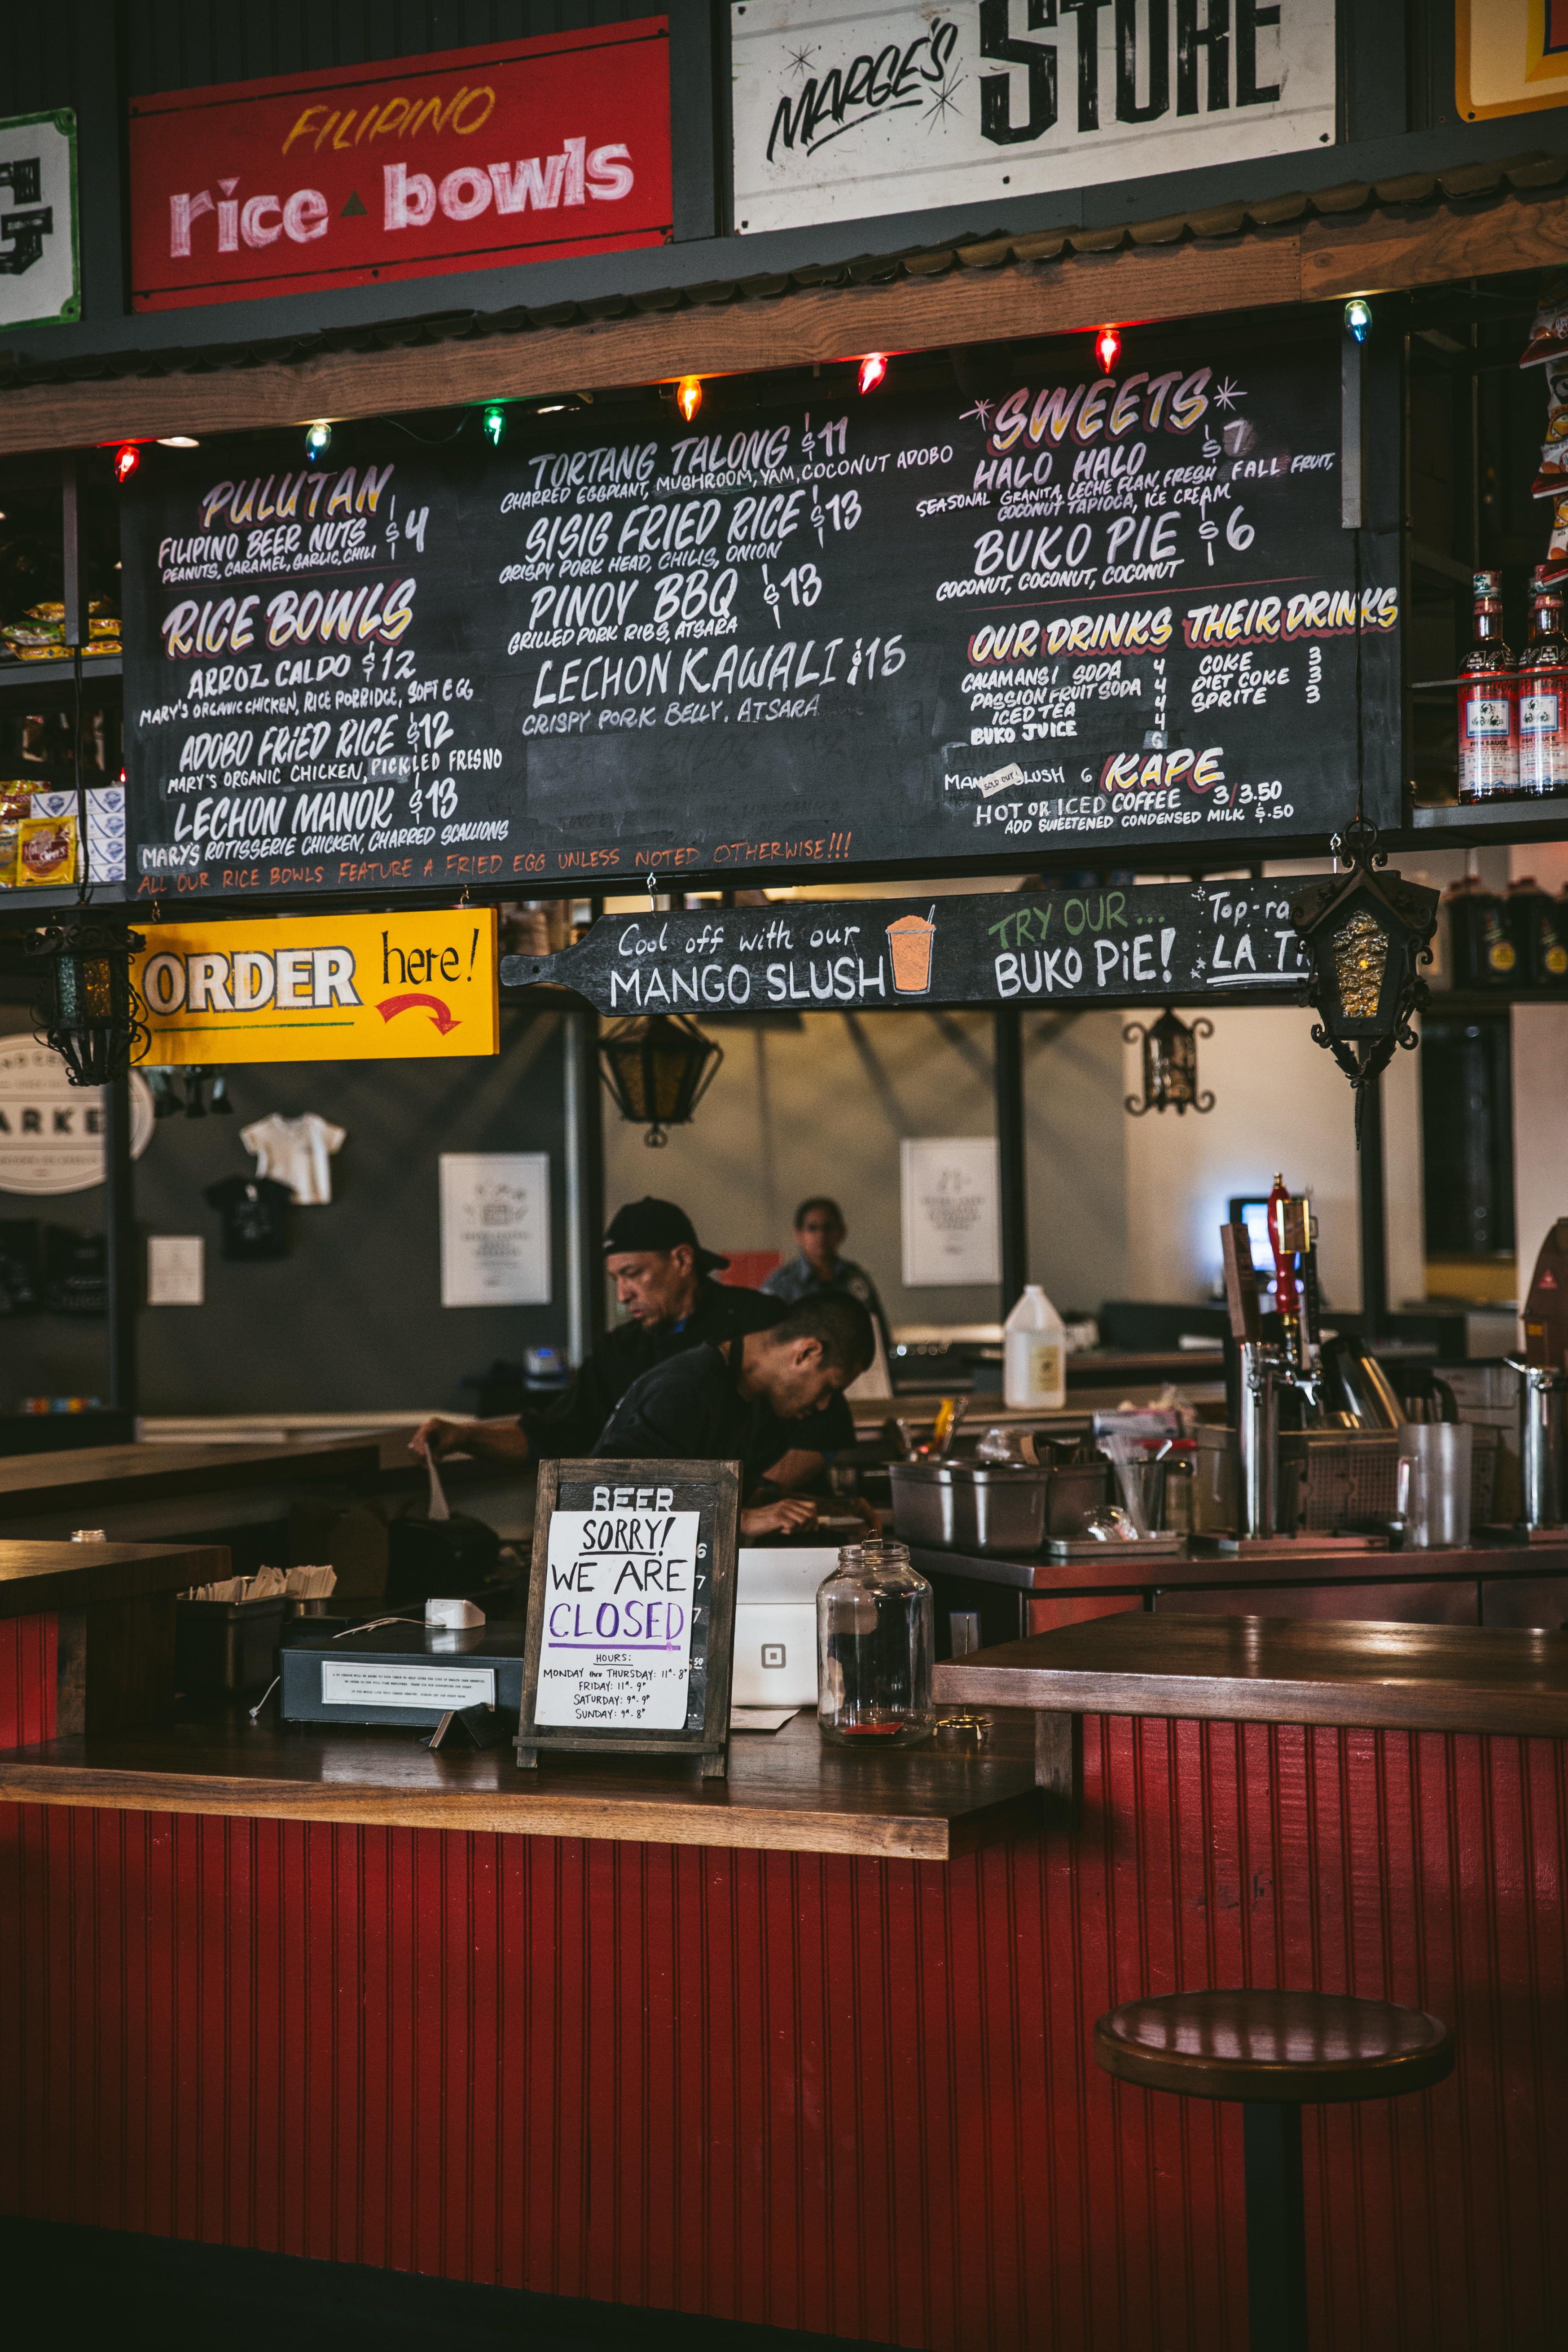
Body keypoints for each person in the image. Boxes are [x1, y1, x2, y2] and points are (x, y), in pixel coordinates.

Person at [412, 1196, 852, 1486]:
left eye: (633, 1274)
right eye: (615, 1279)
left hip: (769, 1536)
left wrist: (762, 1498)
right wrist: (465, 1437)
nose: (623, 1295)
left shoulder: (763, 1322)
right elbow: (551, 1435)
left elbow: (822, 1430)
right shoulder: (619, 1351)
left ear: (682, 1260)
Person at [593, 1293, 875, 1538]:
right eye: (830, 1388)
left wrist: (834, 1511)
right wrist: (743, 1521)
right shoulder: (687, 1387)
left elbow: (733, 1496)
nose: (825, 1405)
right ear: (807, 1353)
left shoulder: (743, 1397)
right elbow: (606, 1494)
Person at [763, 1197, 893, 1364]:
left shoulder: (856, 1280)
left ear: (842, 1232)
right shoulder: (781, 1284)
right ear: (798, 1235)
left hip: (852, 1373)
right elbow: (766, 1342)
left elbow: (878, 1337)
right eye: (812, 1228)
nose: (821, 1235)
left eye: (828, 1228)